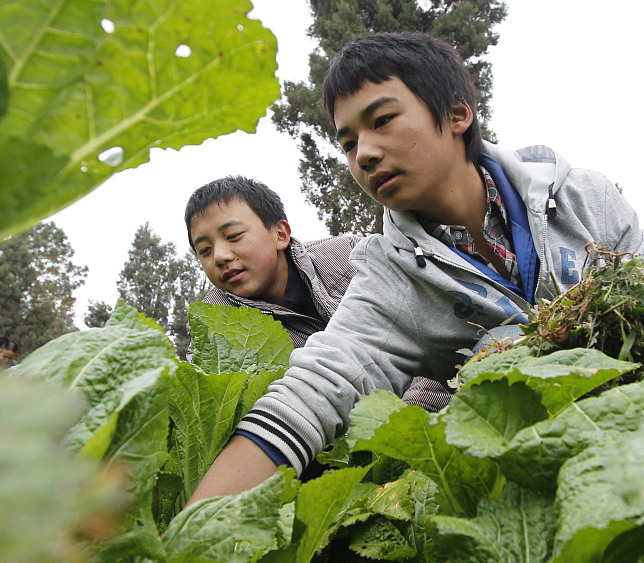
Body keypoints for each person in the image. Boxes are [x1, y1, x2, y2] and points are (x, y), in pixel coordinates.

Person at [189, 32, 644, 502]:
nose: (365, 154)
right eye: (349, 144)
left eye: (383, 120)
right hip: (558, 494)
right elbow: (313, 392)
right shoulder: (392, 281)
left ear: (457, 114)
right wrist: (196, 527)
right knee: (495, 351)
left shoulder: (580, 198)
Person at [185, 175, 451, 411]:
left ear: (280, 234)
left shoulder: (349, 255)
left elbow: (430, 321)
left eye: (233, 236)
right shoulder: (211, 331)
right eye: (205, 250)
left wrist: (413, 414)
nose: (219, 256)